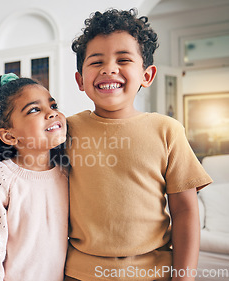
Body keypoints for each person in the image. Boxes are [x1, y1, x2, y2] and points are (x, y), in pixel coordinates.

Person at [66, 9, 213, 281]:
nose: (109, 68)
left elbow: (185, 211)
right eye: (96, 61)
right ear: (80, 80)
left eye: (123, 59)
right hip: (78, 273)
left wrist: (184, 277)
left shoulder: (167, 130)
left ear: (147, 75)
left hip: (153, 273)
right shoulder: (65, 131)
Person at [0, 73, 69, 280]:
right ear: (9, 136)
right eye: (34, 110)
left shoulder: (67, 172)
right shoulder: (1, 175)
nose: (52, 114)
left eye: (53, 105)